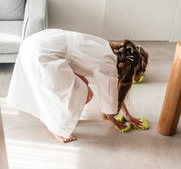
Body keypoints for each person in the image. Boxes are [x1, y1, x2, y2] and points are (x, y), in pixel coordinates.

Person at [7, 29, 148, 143]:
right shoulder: (108, 65)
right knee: (86, 93)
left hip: (36, 41)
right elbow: (110, 95)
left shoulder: (106, 46)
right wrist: (113, 120)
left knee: (84, 83)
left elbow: (113, 89)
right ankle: (54, 125)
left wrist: (127, 114)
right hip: (42, 54)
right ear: (128, 69)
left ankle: (55, 116)